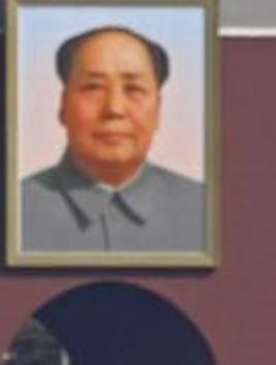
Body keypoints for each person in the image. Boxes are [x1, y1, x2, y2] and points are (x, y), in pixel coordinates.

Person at [21, 26, 206, 254]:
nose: (114, 109)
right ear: (63, 106)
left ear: (158, 110)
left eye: (134, 89)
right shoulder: (14, 208)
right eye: (93, 88)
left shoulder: (207, 209)